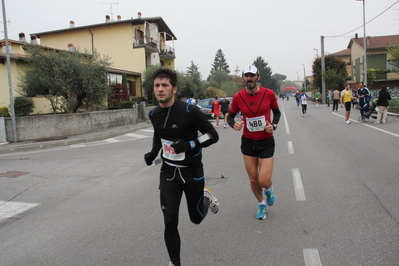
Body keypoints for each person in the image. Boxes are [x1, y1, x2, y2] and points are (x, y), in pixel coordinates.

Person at [144, 67, 219, 266]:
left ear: (174, 89)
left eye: (164, 85)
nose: (160, 89)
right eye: (157, 86)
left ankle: (205, 197)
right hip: (168, 172)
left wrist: (190, 144)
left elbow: (213, 135)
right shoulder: (153, 114)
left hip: (192, 171)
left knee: (196, 219)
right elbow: (159, 135)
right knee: (169, 220)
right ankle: (174, 262)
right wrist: (153, 152)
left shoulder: (189, 111)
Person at [227, 65, 281, 220]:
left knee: (263, 180)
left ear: (258, 77)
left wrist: (274, 125)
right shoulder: (238, 97)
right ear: (243, 78)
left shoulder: (268, 94)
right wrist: (233, 124)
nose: (249, 79)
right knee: (253, 179)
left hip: (266, 141)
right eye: (246, 76)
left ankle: (269, 190)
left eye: (252, 76)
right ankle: (261, 204)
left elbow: (276, 112)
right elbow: (230, 117)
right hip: (248, 142)